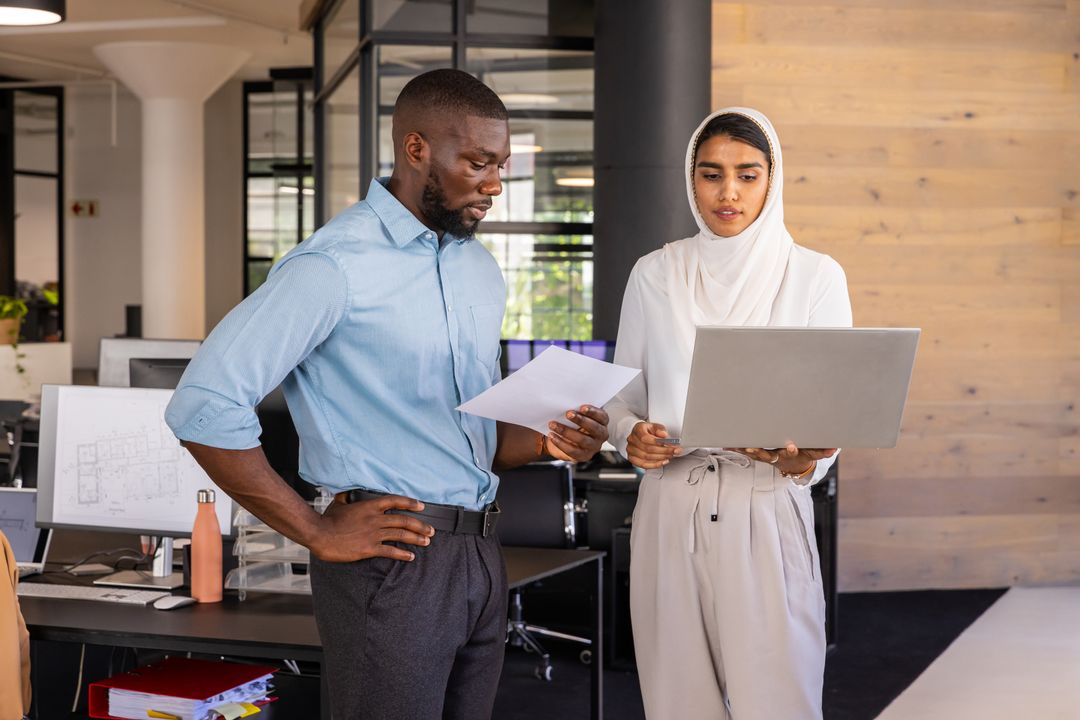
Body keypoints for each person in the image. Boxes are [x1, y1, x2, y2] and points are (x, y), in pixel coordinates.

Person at [165, 68, 609, 720]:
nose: (494, 184)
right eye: (478, 163)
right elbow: (203, 405)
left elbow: (479, 438)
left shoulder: (478, 270)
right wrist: (314, 529)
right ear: (416, 149)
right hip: (391, 561)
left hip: (482, 554)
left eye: (502, 166)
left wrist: (551, 438)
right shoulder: (333, 266)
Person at [605, 107, 852, 719]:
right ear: (691, 181)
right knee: (677, 701)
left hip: (766, 503)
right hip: (671, 505)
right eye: (711, 174)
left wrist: (807, 458)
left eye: (748, 173)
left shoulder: (815, 276)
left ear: (774, 179)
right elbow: (621, 397)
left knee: (780, 700)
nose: (729, 192)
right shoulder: (654, 274)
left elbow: (836, 410)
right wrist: (627, 436)